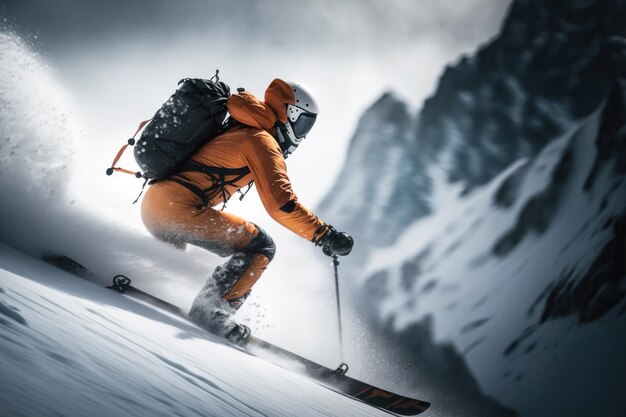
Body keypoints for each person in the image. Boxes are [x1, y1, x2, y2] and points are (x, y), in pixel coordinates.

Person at [140, 78, 353, 340]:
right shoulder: (261, 141)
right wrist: (324, 234)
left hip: (159, 203)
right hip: (177, 210)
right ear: (290, 113)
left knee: (171, 270)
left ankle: (131, 279)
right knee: (260, 246)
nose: (303, 134)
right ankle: (211, 314)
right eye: (303, 124)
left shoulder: (243, 126)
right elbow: (281, 205)